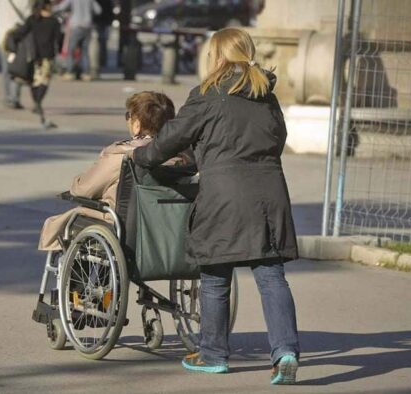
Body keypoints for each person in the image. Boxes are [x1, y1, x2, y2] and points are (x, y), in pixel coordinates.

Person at [129, 28, 301, 385]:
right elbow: (278, 139)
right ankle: (285, 351)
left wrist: (143, 156)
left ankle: (213, 354)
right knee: (271, 277)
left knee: (215, 277)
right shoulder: (266, 96)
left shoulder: (208, 94)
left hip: (224, 195)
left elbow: (172, 138)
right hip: (270, 193)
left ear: (218, 57)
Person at [38, 91, 182, 251]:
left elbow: (83, 189)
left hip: (124, 232)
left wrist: (77, 182)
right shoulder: (180, 157)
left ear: (137, 125)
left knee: (71, 225)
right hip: (167, 234)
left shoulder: (122, 154)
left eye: (129, 116)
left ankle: (75, 274)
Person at [10, 0, 61, 128]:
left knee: (34, 81)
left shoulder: (33, 19)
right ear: (47, 6)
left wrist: (13, 40)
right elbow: (58, 39)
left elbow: (21, 32)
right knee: (44, 81)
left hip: (33, 55)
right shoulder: (54, 22)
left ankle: (36, 102)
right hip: (47, 56)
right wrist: (59, 51)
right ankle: (38, 102)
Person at [0, 0, 32, 109]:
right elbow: (28, 15)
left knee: (6, 69)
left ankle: (8, 96)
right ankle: (14, 97)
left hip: (2, 36)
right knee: (17, 67)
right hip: (17, 37)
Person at [54, 0, 101, 81]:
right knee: (85, 51)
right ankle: (86, 73)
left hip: (76, 26)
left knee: (70, 50)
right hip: (87, 26)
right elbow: (98, 10)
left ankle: (70, 72)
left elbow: (60, 8)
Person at [94, 0, 114, 67]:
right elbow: (111, 11)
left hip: (98, 22)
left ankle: (99, 59)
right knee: (103, 41)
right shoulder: (108, 1)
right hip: (104, 22)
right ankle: (102, 59)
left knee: (98, 41)